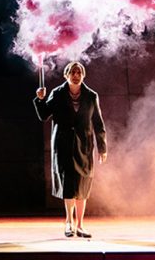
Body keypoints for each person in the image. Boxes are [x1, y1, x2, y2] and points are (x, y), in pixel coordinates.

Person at [34, 61, 107, 238]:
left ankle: (80, 225)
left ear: (83, 75)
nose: (76, 75)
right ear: (66, 75)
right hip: (64, 144)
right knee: (68, 184)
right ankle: (69, 222)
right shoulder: (57, 93)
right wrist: (40, 100)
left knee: (82, 184)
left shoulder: (91, 96)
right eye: (73, 72)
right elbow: (44, 115)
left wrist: (102, 147)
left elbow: (98, 122)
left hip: (84, 145)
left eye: (79, 72)